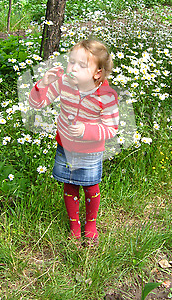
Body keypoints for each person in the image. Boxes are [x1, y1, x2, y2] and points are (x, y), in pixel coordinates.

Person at [29, 39, 119, 247]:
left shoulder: (106, 96)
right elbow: (38, 103)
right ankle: (74, 226)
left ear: (97, 73)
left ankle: (91, 225)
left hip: (90, 151)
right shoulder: (64, 83)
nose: (73, 68)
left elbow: (111, 128)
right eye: (71, 62)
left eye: (81, 65)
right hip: (66, 146)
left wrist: (85, 130)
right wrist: (42, 84)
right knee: (69, 184)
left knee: (90, 186)